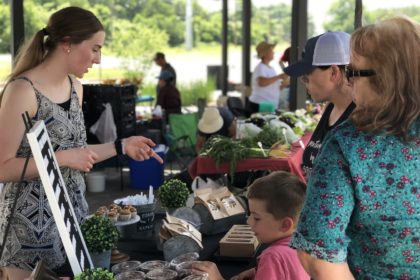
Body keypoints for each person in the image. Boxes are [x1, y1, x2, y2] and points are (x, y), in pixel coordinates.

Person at [0, 6, 162, 276]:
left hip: (72, 222)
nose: (98, 59)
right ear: (66, 44)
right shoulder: (22, 90)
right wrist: (62, 159)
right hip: (29, 234)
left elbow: (79, 153)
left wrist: (122, 146)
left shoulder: (76, 88)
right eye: (95, 48)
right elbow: (3, 167)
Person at [290, 17, 420, 279]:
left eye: (353, 73)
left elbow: (317, 254)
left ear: (384, 79)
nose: (349, 82)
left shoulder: (348, 145)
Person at [193, 171, 310, 280]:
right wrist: (257, 271)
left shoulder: (273, 257)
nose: (248, 221)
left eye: (256, 218)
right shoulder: (303, 242)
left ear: (285, 225)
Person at [284, 31, 356, 178]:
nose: (304, 81)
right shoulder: (331, 107)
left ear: (334, 72)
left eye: (307, 75)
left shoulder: (359, 117)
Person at [248, 42, 285, 114]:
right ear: (265, 53)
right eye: (271, 51)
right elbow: (262, 82)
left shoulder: (271, 68)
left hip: (269, 105)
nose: (273, 52)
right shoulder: (260, 67)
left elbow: (275, 87)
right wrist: (279, 76)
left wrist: (283, 84)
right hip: (260, 104)